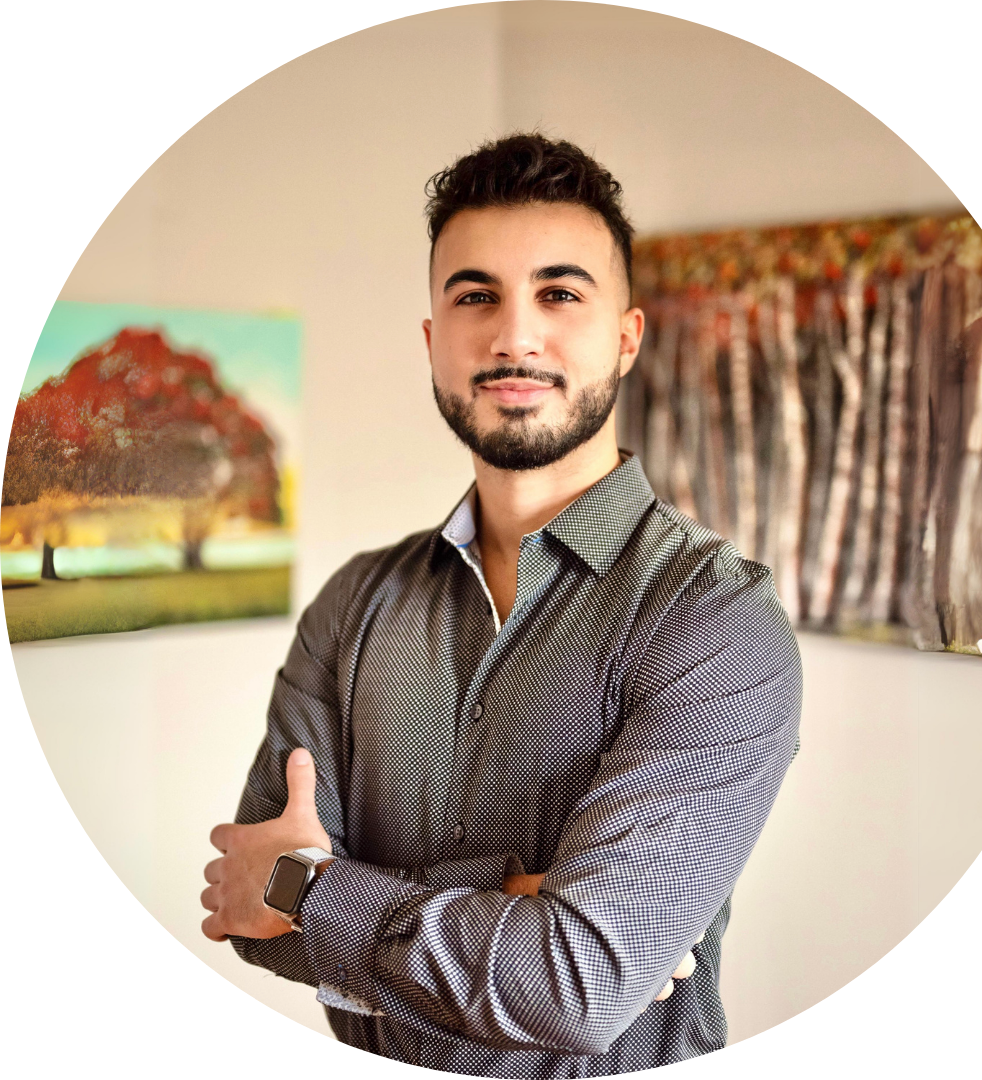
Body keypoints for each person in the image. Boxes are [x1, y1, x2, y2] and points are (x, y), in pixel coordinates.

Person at [200, 133, 801, 1077]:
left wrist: (313, 892)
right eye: (476, 296)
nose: (515, 335)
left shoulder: (715, 620)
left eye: (560, 294)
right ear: (435, 341)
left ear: (627, 337)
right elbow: (246, 914)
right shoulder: (354, 602)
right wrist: (512, 906)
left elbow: (574, 989)